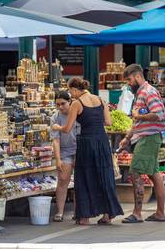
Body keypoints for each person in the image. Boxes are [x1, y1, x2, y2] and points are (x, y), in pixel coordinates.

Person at [51, 78, 123, 225]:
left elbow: (67, 129)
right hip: (102, 141)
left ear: (74, 89)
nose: (70, 94)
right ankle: (108, 214)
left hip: (86, 143)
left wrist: (57, 127)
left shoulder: (77, 103)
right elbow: (108, 122)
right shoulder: (100, 100)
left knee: (84, 178)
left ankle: (84, 217)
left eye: (70, 91)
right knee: (104, 176)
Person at [119, 64, 165, 223]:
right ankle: (160, 213)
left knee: (135, 172)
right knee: (154, 175)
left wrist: (139, 117)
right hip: (146, 137)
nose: (128, 83)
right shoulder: (140, 93)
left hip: (148, 138)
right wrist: (127, 138)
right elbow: (137, 121)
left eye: (129, 79)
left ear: (137, 76)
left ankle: (137, 213)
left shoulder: (148, 92)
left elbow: (159, 114)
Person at [50, 91, 79, 222]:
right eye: (58, 104)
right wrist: (58, 159)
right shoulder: (55, 117)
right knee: (63, 180)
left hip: (79, 149)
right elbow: (55, 140)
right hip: (64, 151)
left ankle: (78, 211)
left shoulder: (78, 114)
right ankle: (60, 212)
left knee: (80, 181)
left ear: (70, 102)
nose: (60, 107)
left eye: (63, 104)